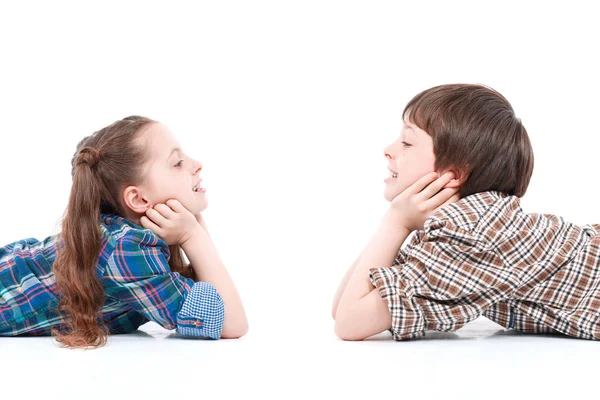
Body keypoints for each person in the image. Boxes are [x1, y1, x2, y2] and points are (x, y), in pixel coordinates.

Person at [332, 83, 600, 341]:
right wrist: (396, 222)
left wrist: (395, 223)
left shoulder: (468, 237)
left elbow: (349, 322)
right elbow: (343, 308)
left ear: (454, 174)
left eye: (407, 143)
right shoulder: (455, 224)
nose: (388, 151)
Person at [0, 116, 248, 348]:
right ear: (138, 199)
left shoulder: (127, 239)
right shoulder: (127, 250)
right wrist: (193, 235)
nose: (197, 165)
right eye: (177, 163)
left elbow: (216, 299)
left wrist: (194, 226)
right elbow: (231, 324)